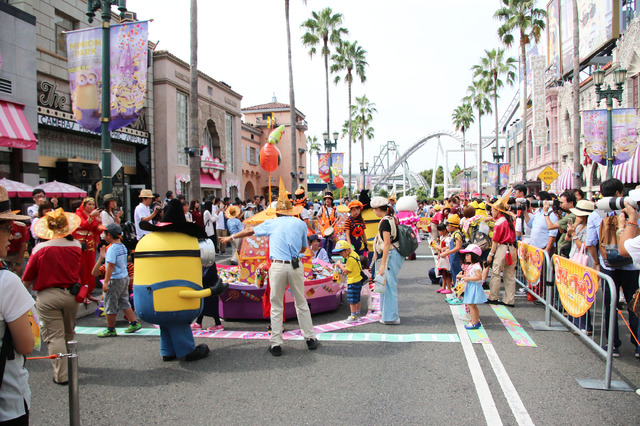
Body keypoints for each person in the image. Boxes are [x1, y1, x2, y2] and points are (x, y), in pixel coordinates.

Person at [220, 180, 319, 357]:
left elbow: (249, 231)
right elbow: (305, 248)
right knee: (301, 302)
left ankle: (276, 344)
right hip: (296, 266)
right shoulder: (301, 224)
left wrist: (230, 238)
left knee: (276, 305)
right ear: (291, 211)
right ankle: (310, 338)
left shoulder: (272, 223)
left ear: (277, 212)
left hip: (277, 266)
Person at [23, 208, 82, 385]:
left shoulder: (40, 248)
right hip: (71, 294)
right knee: (69, 333)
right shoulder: (76, 246)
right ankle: (73, 367)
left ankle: (62, 375)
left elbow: (27, 277)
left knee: (55, 336)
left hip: (48, 296)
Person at [588, 178, 639, 357]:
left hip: (608, 265)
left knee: (611, 305)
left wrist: (596, 261)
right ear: (620, 193)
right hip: (631, 265)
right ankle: (638, 344)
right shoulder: (635, 212)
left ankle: (613, 344)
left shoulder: (597, 213)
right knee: (634, 305)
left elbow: (591, 242)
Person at [0, 195, 34, 424]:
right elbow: (27, 344)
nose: (11, 235)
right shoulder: (6, 283)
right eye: (6, 228)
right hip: (7, 402)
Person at [92, 224, 141, 337]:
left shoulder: (112, 249)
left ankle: (110, 328)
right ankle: (134, 322)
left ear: (109, 235)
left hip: (114, 279)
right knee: (124, 301)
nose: (104, 236)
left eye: (105, 233)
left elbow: (110, 266)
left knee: (110, 304)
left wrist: (106, 282)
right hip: (124, 277)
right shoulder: (122, 246)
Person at [371, 196, 404, 324]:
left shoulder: (385, 221)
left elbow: (386, 243)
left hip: (390, 253)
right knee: (384, 283)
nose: (374, 212)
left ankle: (391, 317)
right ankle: (385, 312)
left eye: (374, 209)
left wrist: (382, 263)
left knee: (389, 286)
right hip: (394, 252)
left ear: (379, 209)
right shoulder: (392, 218)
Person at [486, 191, 517, 307]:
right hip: (512, 248)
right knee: (509, 275)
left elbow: (495, 241)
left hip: (502, 248)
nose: (492, 211)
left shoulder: (499, 222)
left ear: (498, 211)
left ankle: (493, 296)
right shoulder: (509, 220)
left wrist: (491, 254)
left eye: (493, 209)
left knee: (496, 272)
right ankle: (509, 299)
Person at [73, 197, 103, 303]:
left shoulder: (94, 216)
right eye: (89, 204)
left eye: (93, 204)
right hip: (82, 245)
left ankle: (88, 292)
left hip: (91, 245)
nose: (91, 207)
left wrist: (99, 223)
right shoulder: (78, 214)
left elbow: (97, 231)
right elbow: (84, 224)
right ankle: (82, 293)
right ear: (84, 205)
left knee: (91, 267)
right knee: (82, 268)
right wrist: (91, 217)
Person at [333, 239, 367, 323]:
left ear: (347, 250)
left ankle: (353, 316)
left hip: (353, 281)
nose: (340, 254)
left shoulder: (350, 259)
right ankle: (358, 314)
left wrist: (340, 265)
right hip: (358, 280)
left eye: (341, 252)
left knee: (352, 300)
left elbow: (347, 270)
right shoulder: (354, 254)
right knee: (357, 299)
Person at [457, 244, 487, 329]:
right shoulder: (471, 265)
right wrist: (462, 276)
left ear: (473, 256)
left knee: (471, 305)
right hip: (470, 286)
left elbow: (478, 277)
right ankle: (475, 321)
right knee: (471, 305)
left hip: (473, 286)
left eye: (467, 255)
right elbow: (469, 275)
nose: (465, 257)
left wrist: (467, 278)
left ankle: (474, 322)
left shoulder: (476, 266)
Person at [543, 191, 577, 258]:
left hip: (566, 249)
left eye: (562, 203)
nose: (560, 205)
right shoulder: (568, 214)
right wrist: (558, 215)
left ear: (571, 203)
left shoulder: (572, 216)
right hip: (563, 247)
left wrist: (545, 212)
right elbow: (561, 231)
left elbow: (550, 227)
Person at [319, 190, 337, 254]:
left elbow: (337, 217)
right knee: (324, 243)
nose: (327, 200)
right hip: (325, 229)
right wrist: (321, 222)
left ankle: (329, 256)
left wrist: (337, 219)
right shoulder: (322, 208)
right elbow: (318, 216)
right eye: (326, 199)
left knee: (331, 244)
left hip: (331, 229)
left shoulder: (334, 209)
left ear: (331, 200)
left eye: (329, 199)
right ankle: (323, 257)